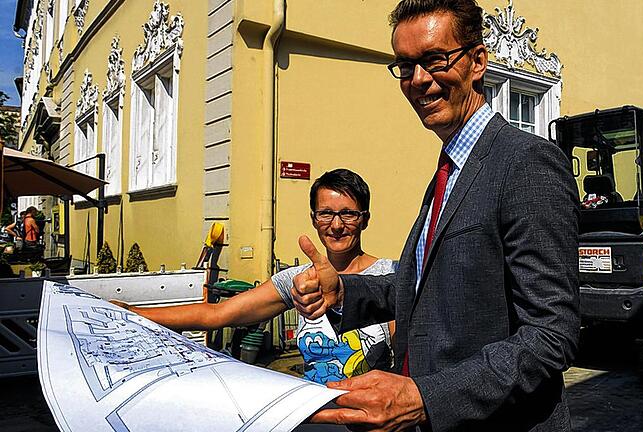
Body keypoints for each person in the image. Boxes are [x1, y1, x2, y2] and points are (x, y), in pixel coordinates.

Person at [291, 1, 580, 431]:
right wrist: (345, 293)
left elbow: (550, 335)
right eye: (405, 67)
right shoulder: (451, 167)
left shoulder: (526, 162)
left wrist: (425, 398)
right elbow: (429, 287)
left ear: (478, 61)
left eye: (435, 59)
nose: (419, 80)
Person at [113, 169, 396, 384]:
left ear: (365, 219)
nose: (336, 225)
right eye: (326, 214)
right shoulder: (299, 280)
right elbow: (219, 314)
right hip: (317, 417)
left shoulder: (392, 277)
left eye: (348, 214)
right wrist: (134, 312)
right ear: (313, 219)